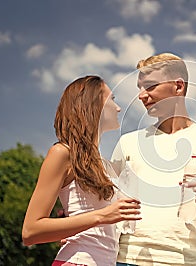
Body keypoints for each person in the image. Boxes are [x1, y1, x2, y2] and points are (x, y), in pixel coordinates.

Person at [111, 53, 196, 265]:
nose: (141, 96)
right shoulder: (128, 143)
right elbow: (102, 200)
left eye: (150, 86)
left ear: (178, 87)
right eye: (140, 88)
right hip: (129, 259)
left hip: (191, 260)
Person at [22, 75, 142, 266]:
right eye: (112, 99)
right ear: (93, 105)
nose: (118, 108)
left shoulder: (105, 166)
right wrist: (102, 216)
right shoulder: (61, 153)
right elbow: (30, 231)